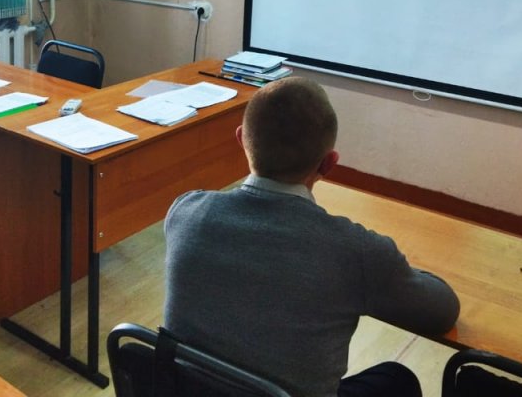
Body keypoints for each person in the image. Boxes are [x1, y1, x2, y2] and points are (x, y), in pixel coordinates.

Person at [164, 77, 460, 397]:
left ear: (241, 140)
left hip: (186, 389)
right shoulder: (355, 252)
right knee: (398, 380)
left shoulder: (186, 213)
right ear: (329, 163)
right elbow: (442, 311)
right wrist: (390, 270)